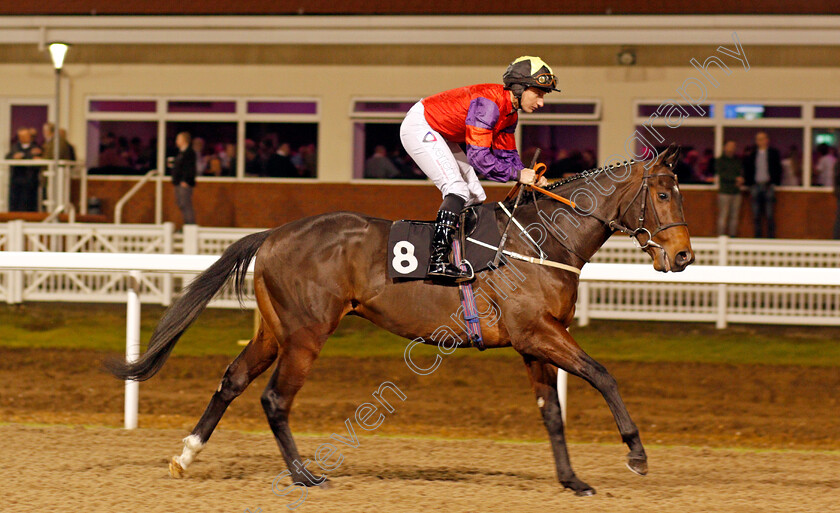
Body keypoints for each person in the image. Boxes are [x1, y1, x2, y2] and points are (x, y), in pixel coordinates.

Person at [399, 55, 555, 281]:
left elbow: (507, 154)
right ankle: (438, 260)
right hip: (420, 125)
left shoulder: (509, 114)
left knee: (475, 194)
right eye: (538, 93)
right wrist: (518, 174)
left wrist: (527, 176)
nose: (541, 102)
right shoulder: (488, 105)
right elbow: (479, 157)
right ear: (520, 87)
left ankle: (464, 253)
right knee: (456, 188)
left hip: (440, 131)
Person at [743, 131, 782, 238]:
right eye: (758, 139)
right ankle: (758, 237)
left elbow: (778, 169)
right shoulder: (752, 154)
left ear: (767, 140)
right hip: (755, 186)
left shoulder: (773, 153)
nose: (760, 141)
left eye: (762, 138)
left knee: (769, 214)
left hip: (768, 185)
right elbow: (748, 169)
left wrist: (774, 182)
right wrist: (749, 183)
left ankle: (770, 237)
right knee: (756, 214)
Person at [5, 128, 42, 211]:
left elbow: (38, 157)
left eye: (28, 135)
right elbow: (8, 157)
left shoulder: (35, 146)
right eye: (24, 136)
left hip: (30, 180)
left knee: (29, 202)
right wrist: (14, 157)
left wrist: (25, 155)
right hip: (17, 179)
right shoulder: (15, 147)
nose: (27, 137)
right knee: (16, 202)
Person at [714, 141, 744, 237]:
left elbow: (740, 172)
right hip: (725, 192)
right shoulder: (720, 161)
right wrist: (735, 178)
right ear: (724, 147)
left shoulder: (737, 161)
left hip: (736, 191)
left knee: (734, 216)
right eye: (729, 146)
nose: (731, 148)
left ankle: (733, 236)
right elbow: (722, 174)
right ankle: (721, 236)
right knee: (724, 215)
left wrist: (740, 180)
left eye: (733, 146)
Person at [171, 132, 197, 225]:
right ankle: (186, 225)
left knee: (186, 205)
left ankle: (190, 225)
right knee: (181, 204)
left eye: (178, 139)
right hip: (178, 183)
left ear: (184, 140)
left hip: (184, 184)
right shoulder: (180, 153)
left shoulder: (189, 153)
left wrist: (186, 180)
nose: (176, 141)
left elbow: (190, 168)